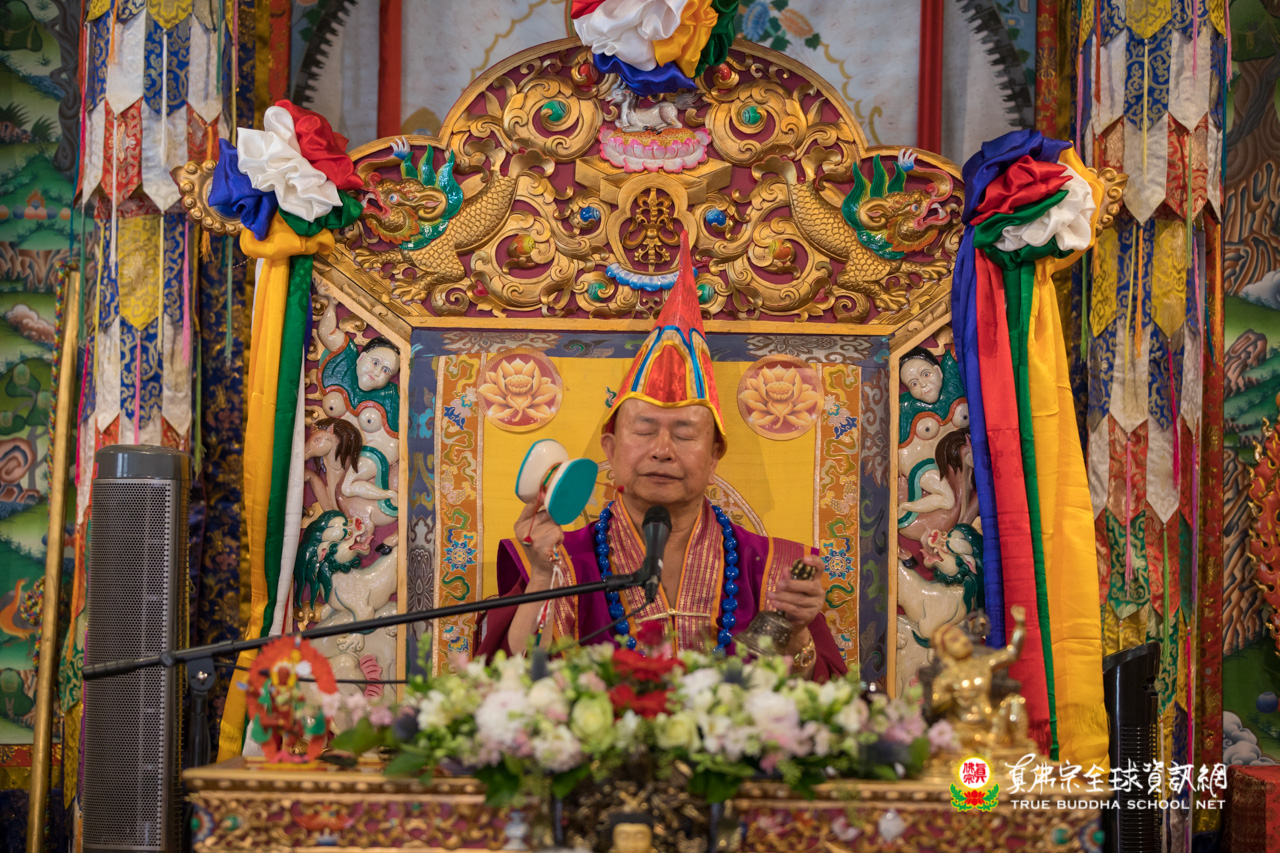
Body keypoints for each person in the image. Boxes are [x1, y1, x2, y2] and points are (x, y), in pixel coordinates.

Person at [476, 234, 847, 681]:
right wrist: (540, 578)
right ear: (611, 449)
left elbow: (824, 697)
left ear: (715, 455)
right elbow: (511, 686)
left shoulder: (774, 569)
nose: (662, 450)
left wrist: (798, 634)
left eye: (685, 433)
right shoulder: (564, 561)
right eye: (644, 430)